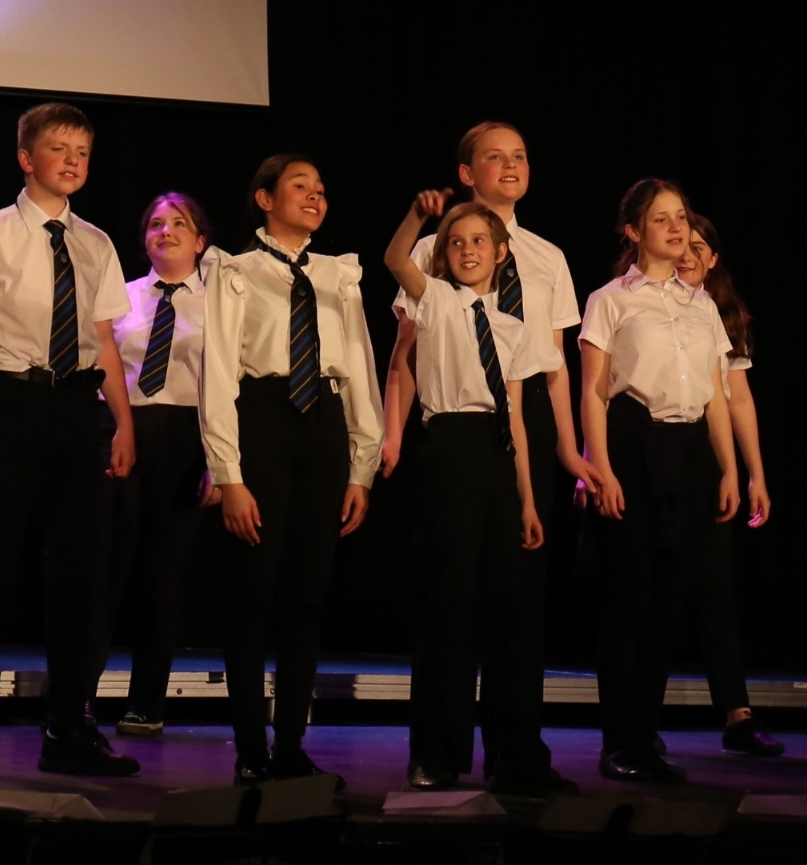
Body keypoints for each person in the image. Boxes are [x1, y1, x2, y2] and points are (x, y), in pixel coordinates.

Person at [380, 123, 600, 781]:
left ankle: (518, 754)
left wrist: (568, 450)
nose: (510, 165)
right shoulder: (435, 249)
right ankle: (436, 752)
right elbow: (404, 354)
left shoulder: (545, 259)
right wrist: (391, 435)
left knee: (518, 601)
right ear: (466, 172)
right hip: (451, 431)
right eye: (494, 156)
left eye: (520, 156)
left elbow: (550, 371)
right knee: (447, 598)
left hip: (515, 431)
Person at [0, 102, 139, 778]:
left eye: (83, 151)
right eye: (59, 148)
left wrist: (122, 423)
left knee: (80, 577)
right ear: (27, 158)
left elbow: (104, 339)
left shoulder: (95, 243)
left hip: (77, 406)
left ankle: (68, 729)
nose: (73, 161)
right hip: (12, 401)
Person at [200, 154, 382, 787]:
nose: (314, 196)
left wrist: (361, 467)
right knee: (253, 593)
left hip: (322, 426)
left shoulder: (338, 275)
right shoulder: (234, 271)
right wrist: (228, 474)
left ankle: (292, 746)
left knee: (307, 597)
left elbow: (358, 365)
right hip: (264, 420)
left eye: (321, 189)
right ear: (265, 198)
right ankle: (251, 747)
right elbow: (218, 372)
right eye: (300, 186)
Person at [580, 179, 739, 784]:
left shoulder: (701, 305)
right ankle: (618, 741)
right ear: (634, 231)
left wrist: (729, 468)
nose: (677, 228)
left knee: (671, 604)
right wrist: (600, 467)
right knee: (631, 601)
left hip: (689, 452)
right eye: (662, 219)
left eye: (682, 217)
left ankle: (644, 737)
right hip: (633, 444)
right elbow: (594, 391)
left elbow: (717, 396)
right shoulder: (610, 300)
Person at [87, 193, 220, 738]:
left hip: (184, 440)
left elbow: (223, 387)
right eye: (156, 224)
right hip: (120, 431)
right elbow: (98, 363)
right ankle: (77, 700)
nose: (166, 231)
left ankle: (147, 703)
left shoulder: (218, 305)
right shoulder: (120, 297)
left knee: (162, 577)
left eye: (179, 224)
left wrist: (219, 461)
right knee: (104, 570)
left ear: (201, 241)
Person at [672, 214, 783, 756]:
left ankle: (737, 714)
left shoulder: (723, 315)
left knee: (716, 587)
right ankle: (633, 728)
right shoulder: (633, 301)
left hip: (710, 456)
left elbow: (737, 398)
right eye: (681, 244)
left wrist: (754, 472)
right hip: (652, 446)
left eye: (700, 247)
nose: (688, 255)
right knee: (653, 590)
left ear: (713, 259)